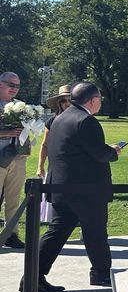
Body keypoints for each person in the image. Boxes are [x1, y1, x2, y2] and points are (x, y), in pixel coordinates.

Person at [25, 82, 122, 292]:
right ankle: (101, 274)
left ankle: (32, 276)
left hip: (61, 186)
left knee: (57, 232)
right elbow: (99, 153)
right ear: (93, 100)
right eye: (99, 100)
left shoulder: (59, 119)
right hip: (86, 189)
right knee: (95, 232)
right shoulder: (87, 121)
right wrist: (114, 151)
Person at [37, 85, 74, 224]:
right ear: (59, 103)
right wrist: (40, 166)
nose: (67, 103)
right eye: (63, 100)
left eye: (70, 99)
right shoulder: (52, 121)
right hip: (56, 165)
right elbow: (44, 145)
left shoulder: (82, 120)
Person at [0, 72, 27, 249]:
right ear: (0, 84)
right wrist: (6, 133)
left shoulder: (21, 107)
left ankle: (11, 234)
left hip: (18, 158)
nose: (14, 89)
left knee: (14, 199)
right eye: (11, 85)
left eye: (17, 86)